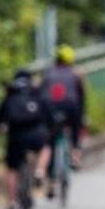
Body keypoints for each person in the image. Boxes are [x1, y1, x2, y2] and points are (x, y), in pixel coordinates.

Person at [0, 69, 52, 209]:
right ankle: (39, 171)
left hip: (16, 136)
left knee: (12, 169)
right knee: (46, 148)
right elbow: (48, 115)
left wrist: (0, 128)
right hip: (36, 134)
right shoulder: (36, 92)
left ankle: (12, 203)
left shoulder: (11, 94)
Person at [41, 44, 86, 195]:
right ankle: (75, 156)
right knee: (75, 129)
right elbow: (81, 98)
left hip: (51, 108)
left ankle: (51, 182)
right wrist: (82, 117)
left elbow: (41, 95)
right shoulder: (77, 74)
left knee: (50, 142)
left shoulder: (48, 74)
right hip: (71, 107)